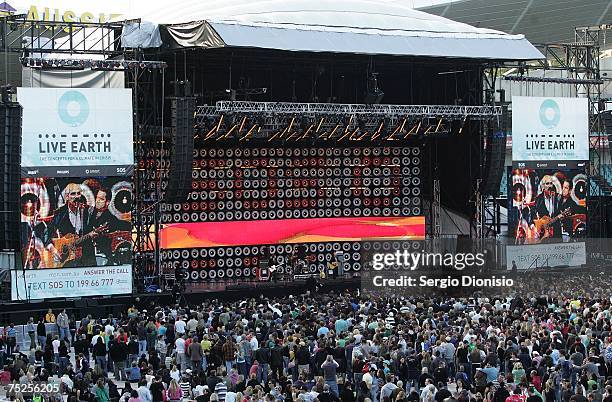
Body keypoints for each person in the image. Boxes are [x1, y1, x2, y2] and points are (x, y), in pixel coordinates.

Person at [43, 183, 97, 267]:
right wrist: (52, 248)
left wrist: (95, 234)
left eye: (78, 193)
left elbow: (97, 228)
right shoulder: (60, 213)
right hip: (67, 258)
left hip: (87, 257)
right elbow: (47, 232)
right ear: (67, 197)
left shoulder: (89, 211)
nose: (76, 197)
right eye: (73, 194)